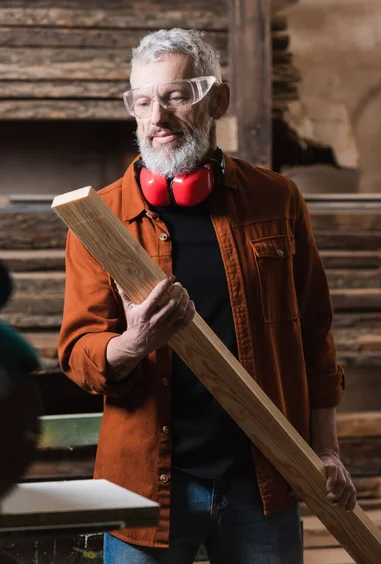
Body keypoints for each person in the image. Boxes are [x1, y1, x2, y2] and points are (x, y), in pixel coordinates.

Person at [58, 28, 356, 564]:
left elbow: (315, 334)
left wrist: (326, 448)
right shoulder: (96, 222)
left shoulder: (276, 199)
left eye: (175, 96)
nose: (158, 117)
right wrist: (134, 343)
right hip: (144, 488)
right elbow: (78, 355)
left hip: (264, 477)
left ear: (216, 99)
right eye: (143, 102)